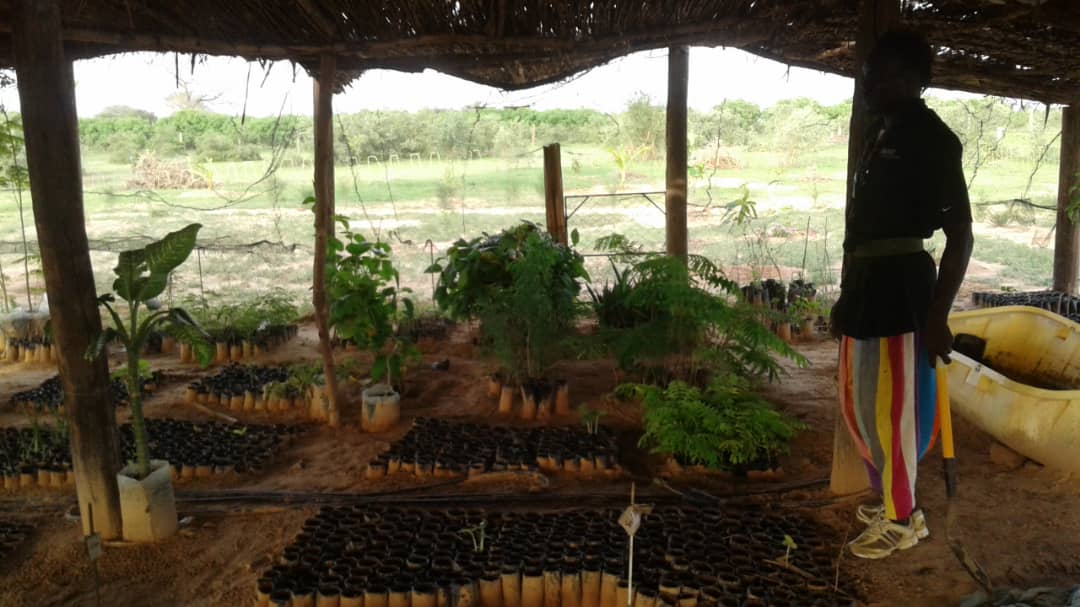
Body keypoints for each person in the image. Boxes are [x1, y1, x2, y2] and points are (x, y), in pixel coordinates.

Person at [830, 29, 974, 560]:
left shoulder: (934, 140)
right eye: (868, 73)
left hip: (901, 289)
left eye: (881, 74)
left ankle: (903, 518)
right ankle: (888, 494)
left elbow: (961, 235)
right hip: (866, 288)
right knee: (861, 404)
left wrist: (938, 316)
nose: (868, 82)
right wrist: (846, 296)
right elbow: (862, 230)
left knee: (893, 410)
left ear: (914, 82)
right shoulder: (877, 133)